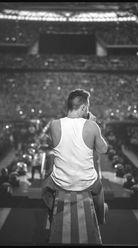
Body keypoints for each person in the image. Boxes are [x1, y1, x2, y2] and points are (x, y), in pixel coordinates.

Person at [41, 89, 109, 225]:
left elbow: (58, 144)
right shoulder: (91, 126)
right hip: (87, 184)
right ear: (84, 107)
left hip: (61, 183)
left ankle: (51, 215)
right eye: (87, 107)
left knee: (45, 188)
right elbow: (103, 149)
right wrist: (93, 124)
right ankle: (100, 217)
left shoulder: (55, 125)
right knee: (99, 188)